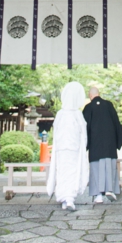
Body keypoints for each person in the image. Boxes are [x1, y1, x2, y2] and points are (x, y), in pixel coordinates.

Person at [46, 81, 89, 212]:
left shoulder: (61, 113)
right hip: (73, 147)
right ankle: (68, 198)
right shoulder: (77, 114)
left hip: (62, 148)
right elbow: (83, 132)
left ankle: (66, 198)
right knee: (71, 172)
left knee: (62, 172)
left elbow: (55, 129)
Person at [83, 86, 122, 204]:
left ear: (90, 95)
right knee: (109, 166)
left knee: (96, 169)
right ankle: (110, 190)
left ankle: (98, 195)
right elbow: (117, 124)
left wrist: (84, 144)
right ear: (99, 93)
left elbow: (84, 127)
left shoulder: (88, 107)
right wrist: (118, 141)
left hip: (95, 146)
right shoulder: (109, 105)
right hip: (109, 145)